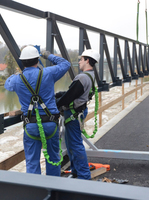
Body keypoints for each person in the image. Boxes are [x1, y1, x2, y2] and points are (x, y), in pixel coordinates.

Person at [4, 45, 70, 176]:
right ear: (37, 60)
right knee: (53, 159)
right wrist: (47, 55)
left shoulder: (17, 80)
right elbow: (65, 64)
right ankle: (54, 190)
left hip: (31, 126)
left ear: (22, 62)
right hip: (50, 124)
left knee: (32, 162)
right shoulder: (48, 73)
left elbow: (7, 83)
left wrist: (17, 73)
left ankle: (36, 192)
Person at [55, 49, 100, 180]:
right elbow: (72, 92)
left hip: (73, 114)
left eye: (81, 59)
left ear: (87, 60)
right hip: (78, 112)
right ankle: (76, 171)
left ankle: (84, 175)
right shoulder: (90, 76)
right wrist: (58, 95)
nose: (79, 61)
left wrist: (54, 104)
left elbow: (69, 97)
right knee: (71, 143)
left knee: (75, 144)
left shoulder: (82, 78)